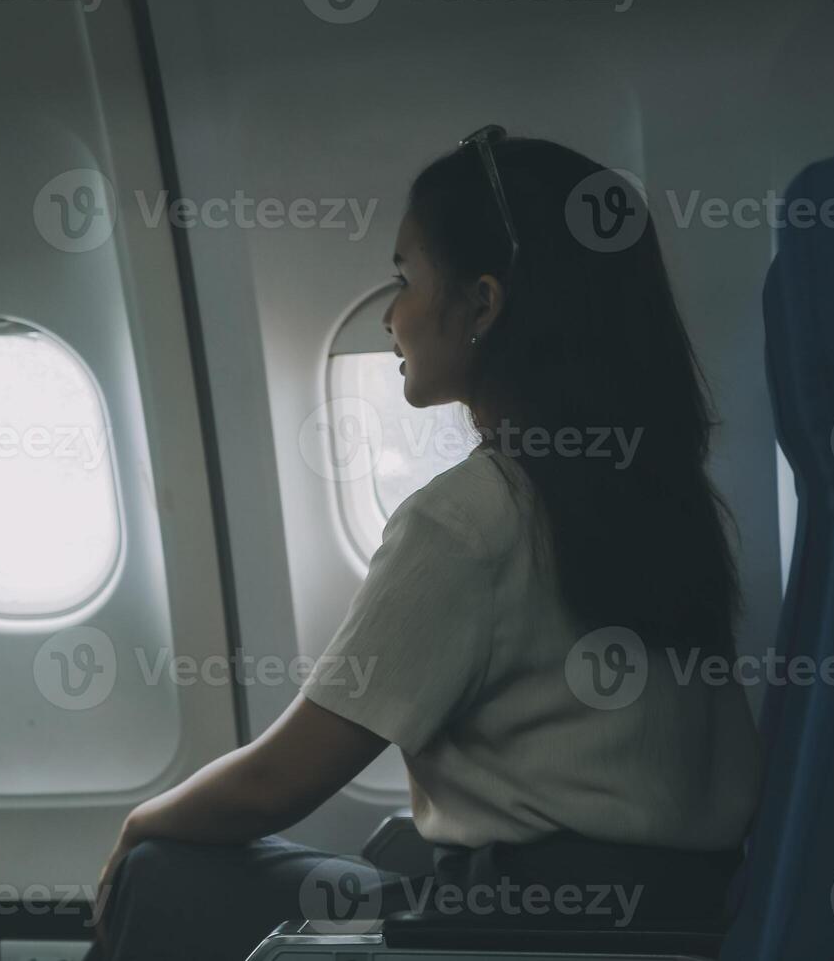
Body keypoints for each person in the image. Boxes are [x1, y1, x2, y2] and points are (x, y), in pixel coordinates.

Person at [86, 130, 764, 961]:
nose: (389, 312)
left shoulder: (466, 521)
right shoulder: (663, 496)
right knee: (393, 843)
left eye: (406, 279)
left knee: (160, 872)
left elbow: (277, 781)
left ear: (482, 306)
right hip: (674, 925)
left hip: (520, 938)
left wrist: (138, 819)